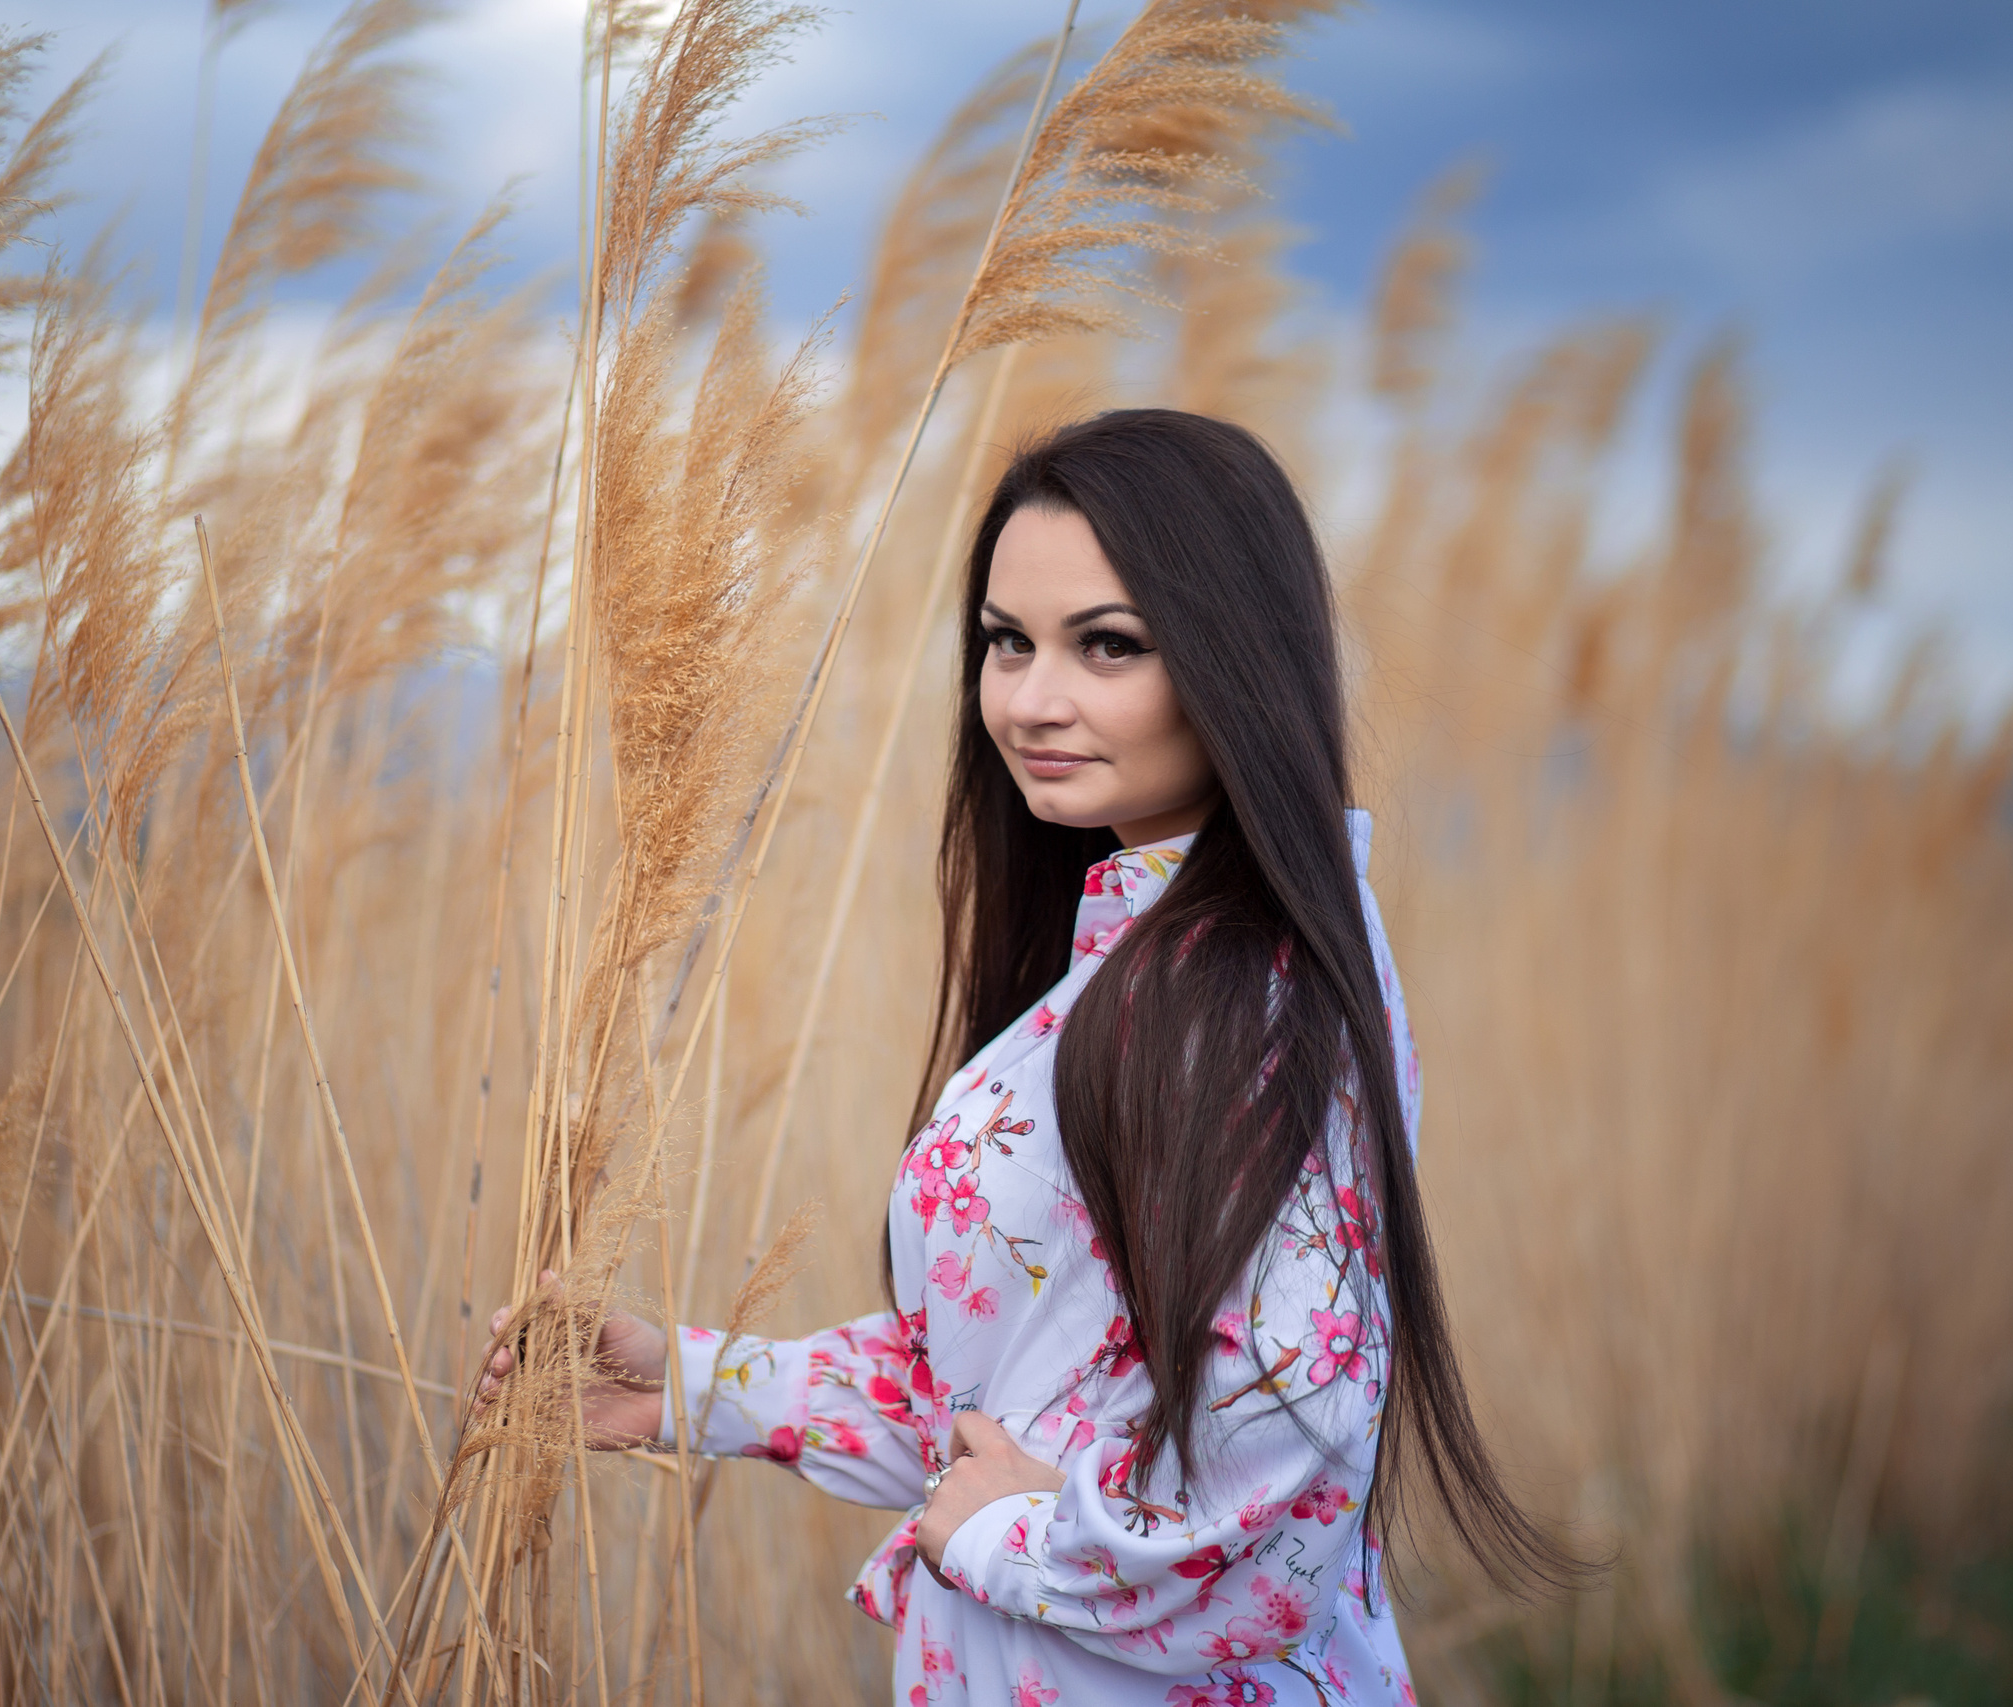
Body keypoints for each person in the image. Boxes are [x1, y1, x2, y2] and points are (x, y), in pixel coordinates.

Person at [480, 410, 1568, 1703]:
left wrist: (1007, 1540)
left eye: (1108, 646)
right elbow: (1022, 1397)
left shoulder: (1243, 1005)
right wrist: (698, 1388)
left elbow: (1281, 1487)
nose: (1030, 701)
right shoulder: (1149, 958)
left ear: (1236, 662)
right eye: (1007, 643)